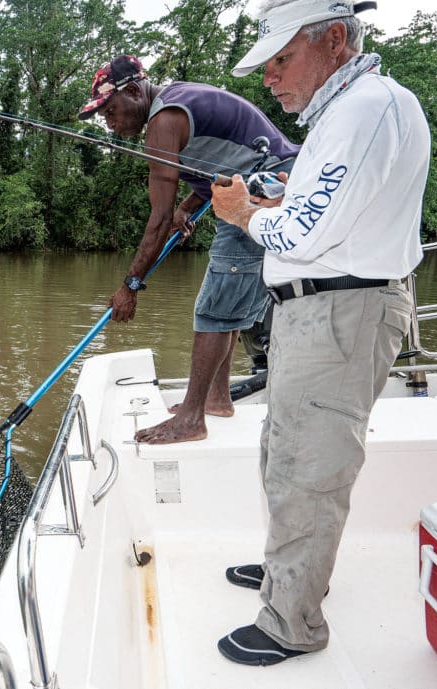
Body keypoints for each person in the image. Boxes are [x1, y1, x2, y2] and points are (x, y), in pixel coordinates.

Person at [209, 0, 429, 665]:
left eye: (281, 59)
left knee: (310, 468)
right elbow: (318, 211)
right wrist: (274, 200)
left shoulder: (366, 109)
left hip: (341, 312)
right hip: (320, 311)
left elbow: (303, 233)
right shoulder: (349, 112)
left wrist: (245, 211)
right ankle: (289, 572)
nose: (270, 78)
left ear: (335, 39)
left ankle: (291, 622)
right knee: (285, 453)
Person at [78, 55, 300, 444]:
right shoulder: (177, 101)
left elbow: (158, 218)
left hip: (265, 192)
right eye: (103, 117)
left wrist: (130, 285)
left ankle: (191, 419)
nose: (109, 123)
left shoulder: (163, 121)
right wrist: (187, 207)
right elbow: (219, 164)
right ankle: (216, 399)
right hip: (265, 188)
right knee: (225, 307)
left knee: (213, 310)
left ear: (134, 92)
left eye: (110, 111)